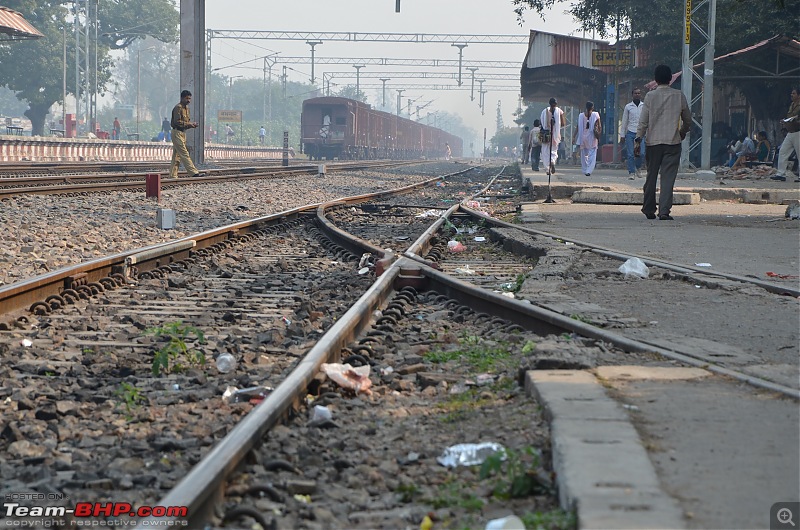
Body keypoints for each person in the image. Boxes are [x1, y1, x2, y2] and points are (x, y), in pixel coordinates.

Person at [635, 64, 691, 221]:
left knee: (651, 176)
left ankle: (648, 208)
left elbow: (643, 121)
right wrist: (682, 132)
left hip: (653, 143)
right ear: (670, 79)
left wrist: (638, 139)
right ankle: (664, 211)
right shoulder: (679, 96)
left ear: (656, 79)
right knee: (667, 178)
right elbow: (687, 120)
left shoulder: (650, 96)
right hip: (673, 142)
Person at [170, 90, 205, 178]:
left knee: (176, 156)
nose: (188, 100)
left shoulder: (187, 109)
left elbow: (186, 123)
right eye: (187, 98)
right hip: (177, 132)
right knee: (184, 153)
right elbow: (177, 122)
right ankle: (193, 173)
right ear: (182, 98)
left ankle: (173, 175)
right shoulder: (178, 108)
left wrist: (191, 125)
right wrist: (189, 124)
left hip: (183, 133)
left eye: (189, 98)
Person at [771, 87, 800, 182]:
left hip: (798, 132)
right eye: (791, 93)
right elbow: (790, 116)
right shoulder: (792, 105)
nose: (791, 95)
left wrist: (796, 118)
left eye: (794, 93)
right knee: (783, 151)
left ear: (799, 95)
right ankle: (781, 174)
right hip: (790, 132)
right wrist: (785, 121)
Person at [620, 88, 645, 179]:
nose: (637, 95)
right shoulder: (628, 107)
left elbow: (646, 120)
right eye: (635, 93)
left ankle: (638, 168)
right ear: (632, 95)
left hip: (640, 133)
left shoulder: (644, 106)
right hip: (630, 132)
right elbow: (624, 121)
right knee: (630, 154)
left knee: (641, 153)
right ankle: (631, 172)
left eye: (639, 93)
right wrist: (622, 135)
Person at [574, 101, 602, 176]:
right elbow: (599, 126)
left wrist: (574, 136)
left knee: (583, 155)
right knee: (592, 154)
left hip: (583, 137)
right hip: (592, 137)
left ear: (586, 107)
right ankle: (589, 170)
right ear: (592, 107)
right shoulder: (596, 114)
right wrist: (598, 135)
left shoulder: (581, 115)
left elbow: (578, 127)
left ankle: (584, 169)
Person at [540, 97, 566, 175]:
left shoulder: (544, 111)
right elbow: (563, 123)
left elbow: (542, 123)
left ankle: (547, 169)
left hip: (546, 134)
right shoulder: (559, 111)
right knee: (554, 150)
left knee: (545, 151)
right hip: (555, 134)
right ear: (556, 104)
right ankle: (552, 161)